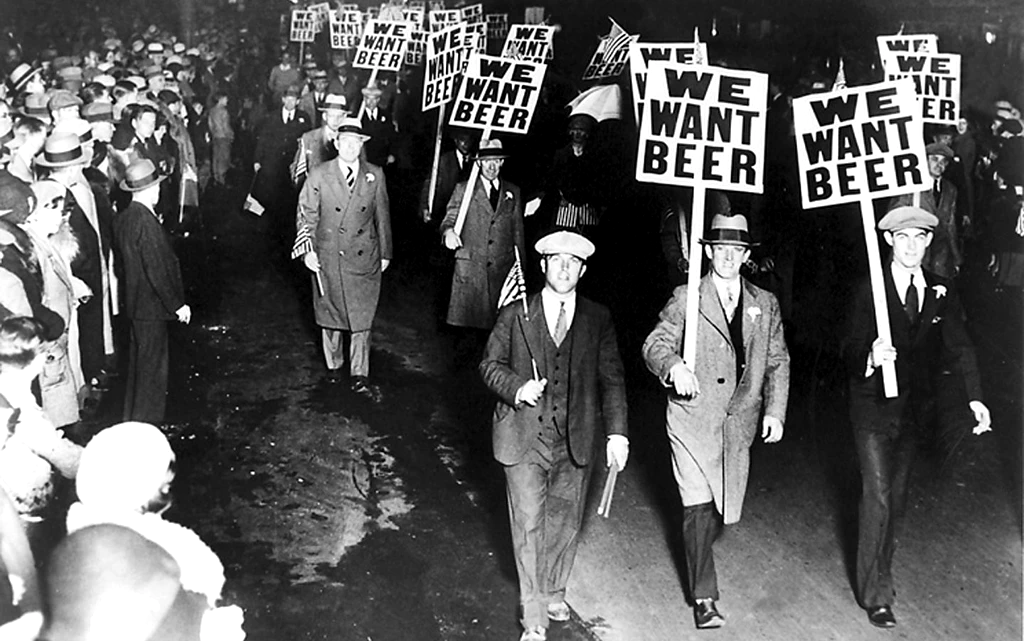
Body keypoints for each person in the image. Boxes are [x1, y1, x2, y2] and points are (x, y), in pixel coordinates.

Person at [841, 205, 990, 629]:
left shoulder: (942, 290)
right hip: (871, 406)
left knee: (898, 500)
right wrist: (869, 355)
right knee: (880, 495)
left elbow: (960, 347)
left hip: (913, 413)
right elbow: (846, 347)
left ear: (928, 243)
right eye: (902, 238)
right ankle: (876, 594)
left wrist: (975, 398)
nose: (911, 246)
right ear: (888, 241)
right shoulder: (867, 288)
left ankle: (881, 573)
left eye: (919, 238)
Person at [642, 213, 790, 629]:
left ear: (746, 256)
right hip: (691, 418)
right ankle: (704, 597)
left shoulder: (765, 303)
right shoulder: (687, 296)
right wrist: (673, 367)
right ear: (706, 251)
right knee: (698, 507)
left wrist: (775, 411)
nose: (727, 257)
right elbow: (655, 342)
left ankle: (702, 581)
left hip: (737, 423)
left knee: (720, 507)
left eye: (736, 250)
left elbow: (778, 361)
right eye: (719, 249)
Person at [479, 230, 628, 641]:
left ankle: (556, 589)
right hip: (523, 438)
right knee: (528, 524)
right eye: (555, 260)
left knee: (564, 522)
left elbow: (612, 378)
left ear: (582, 269)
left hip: (574, 438)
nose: (563, 268)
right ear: (542, 265)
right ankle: (534, 617)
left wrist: (618, 434)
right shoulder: (515, 315)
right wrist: (517, 388)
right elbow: (489, 365)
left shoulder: (598, 319)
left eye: (572, 262)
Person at [294, 117, 391, 401]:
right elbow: (306, 215)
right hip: (328, 255)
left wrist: (386, 252)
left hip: (364, 256)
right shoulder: (319, 174)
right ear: (336, 143)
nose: (350, 147)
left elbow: (381, 216)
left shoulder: (375, 174)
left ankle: (360, 375)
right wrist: (307, 251)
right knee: (331, 316)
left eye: (356, 142)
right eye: (345, 141)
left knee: (362, 318)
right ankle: (334, 367)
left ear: (361, 146)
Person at [112, 159, 191, 424]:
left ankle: (132, 420)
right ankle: (147, 427)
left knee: (138, 368)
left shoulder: (123, 218)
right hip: (152, 307)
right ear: (152, 190)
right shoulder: (146, 222)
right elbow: (156, 269)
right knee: (152, 372)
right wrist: (177, 305)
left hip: (135, 305)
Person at [441, 139, 525, 331]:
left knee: (499, 333)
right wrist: (448, 232)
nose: (492, 166)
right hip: (471, 271)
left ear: (502, 163)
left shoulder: (513, 192)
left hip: (501, 272)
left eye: (496, 161)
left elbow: (518, 233)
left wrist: (521, 271)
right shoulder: (464, 189)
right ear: (478, 162)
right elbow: (449, 219)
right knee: (468, 336)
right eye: (487, 161)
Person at [888, 142, 961, 278]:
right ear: (924, 160)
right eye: (934, 159)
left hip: (940, 257)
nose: (939, 165)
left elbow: (951, 226)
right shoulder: (910, 186)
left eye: (944, 162)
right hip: (913, 252)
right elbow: (894, 217)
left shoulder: (950, 190)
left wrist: (956, 257)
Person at [291, 94, 347, 185]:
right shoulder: (309, 138)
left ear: (345, 117)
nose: (336, 120)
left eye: (339, 116)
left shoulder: (351, 141)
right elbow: (298, 171)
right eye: (332, 116)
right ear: (325, 116)